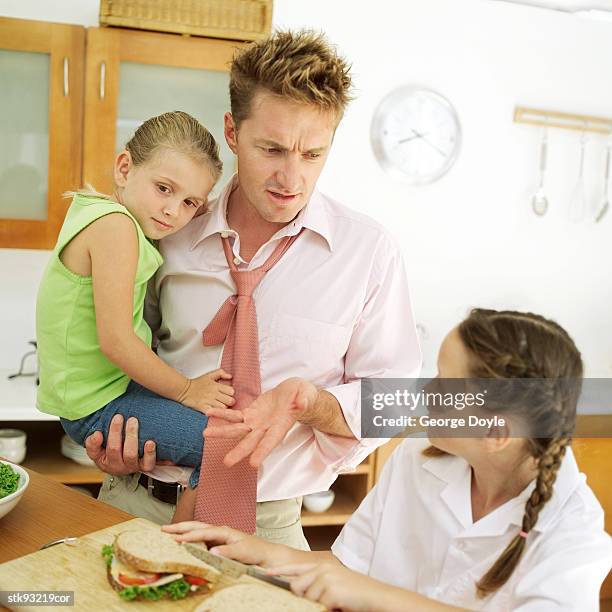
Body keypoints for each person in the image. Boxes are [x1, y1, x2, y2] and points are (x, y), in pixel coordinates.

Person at [85, 30, 422, 547]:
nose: (292, 176)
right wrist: (106, 434)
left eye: (313, 154)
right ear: (232, 132)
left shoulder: (369, 253)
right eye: (273, 149)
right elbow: (115, 351)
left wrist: (309, 403)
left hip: (267, 526)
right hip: (134, 499)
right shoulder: (167, 230)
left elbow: (395, 402)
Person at [163, 309, 612, 611]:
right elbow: (344, 571)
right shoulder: (415, 459)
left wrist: (373, 596)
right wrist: (244, 548)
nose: (426, 391)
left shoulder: (573, 531)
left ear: (496, 433)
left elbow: (361, 589)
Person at [36, 111, 236, 522]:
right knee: (218, 446)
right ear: (125, 168)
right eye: (164, 188)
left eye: (189, 202)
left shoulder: (103, 214)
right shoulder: (116, 229)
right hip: (97, 404)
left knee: (218, 427)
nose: (173, 211)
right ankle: (179, 554)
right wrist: (186, 390)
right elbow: (116, 340)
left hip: (102, 393)